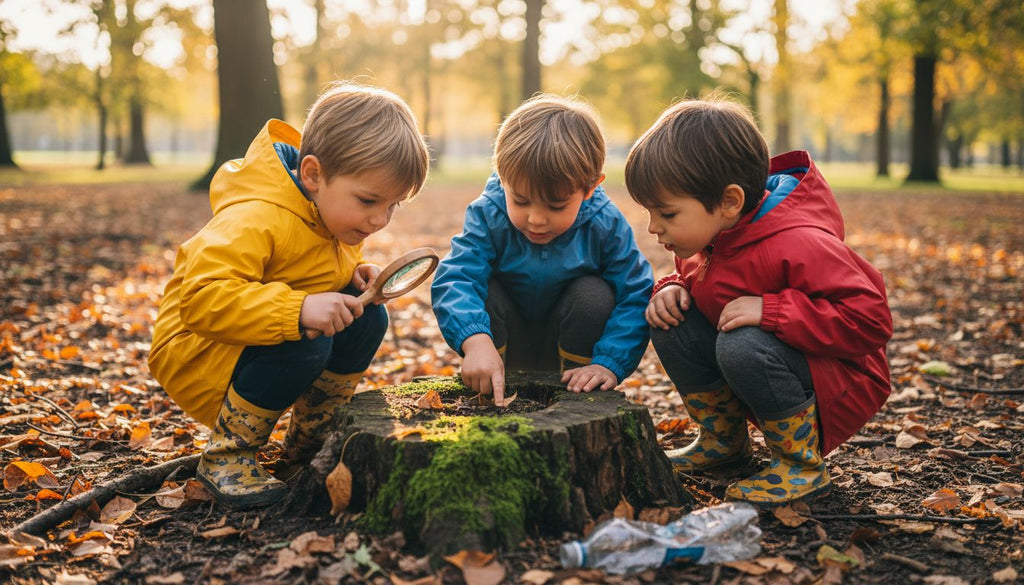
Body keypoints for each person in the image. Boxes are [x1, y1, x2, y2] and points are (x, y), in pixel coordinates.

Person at [148, 82, 430, 508]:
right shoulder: (254, 217)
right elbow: (200, 300)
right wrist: (299, 308)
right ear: (314, 174)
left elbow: (308, 266)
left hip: (254, 334)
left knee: (368, 319)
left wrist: (352, 276)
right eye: (370, 200)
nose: (379, 220)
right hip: (200, 349)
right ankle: (228, 456)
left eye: (393, 206)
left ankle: (309, 443)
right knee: (303, 340)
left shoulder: (331, 213)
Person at [625, 96, 892, 506]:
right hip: (771, 359)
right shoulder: (710, 236)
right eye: (649, 212)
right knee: (670, 319)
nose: (653, 228)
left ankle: (800, 464)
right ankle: (723, 441)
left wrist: (774, 311)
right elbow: (703, 282)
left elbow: (871, 319)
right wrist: (673, 288)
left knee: (743, 341)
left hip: (836, 380)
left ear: (729, 201)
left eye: (667, 214)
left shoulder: (799, 241)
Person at [431, 94, 653, 404]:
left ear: (589, 187)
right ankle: (493, 386)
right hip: (506, 339)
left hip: (568, 341)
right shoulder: (489, 213)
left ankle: (578, 393)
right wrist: (474, 339)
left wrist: (609, 362)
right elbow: (457, 276)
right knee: (487, 289)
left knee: (593, 294)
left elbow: (636, 292)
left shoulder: (605, 225)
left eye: (556, 205)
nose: (535, 219)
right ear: (503, 177)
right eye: (520, 201)